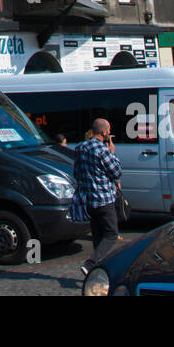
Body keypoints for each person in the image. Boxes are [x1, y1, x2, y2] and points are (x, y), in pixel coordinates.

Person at [69, 118, 124, 277]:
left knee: (98, 237)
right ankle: (91, 264)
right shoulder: (102, 150)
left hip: (88, 200)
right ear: (104, 132)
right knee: (111, 234)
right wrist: (112, 153)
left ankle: (97, 271)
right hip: (103, 199)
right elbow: (116, 172)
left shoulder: (80, 148)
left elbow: (77, 173)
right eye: (109, 131)